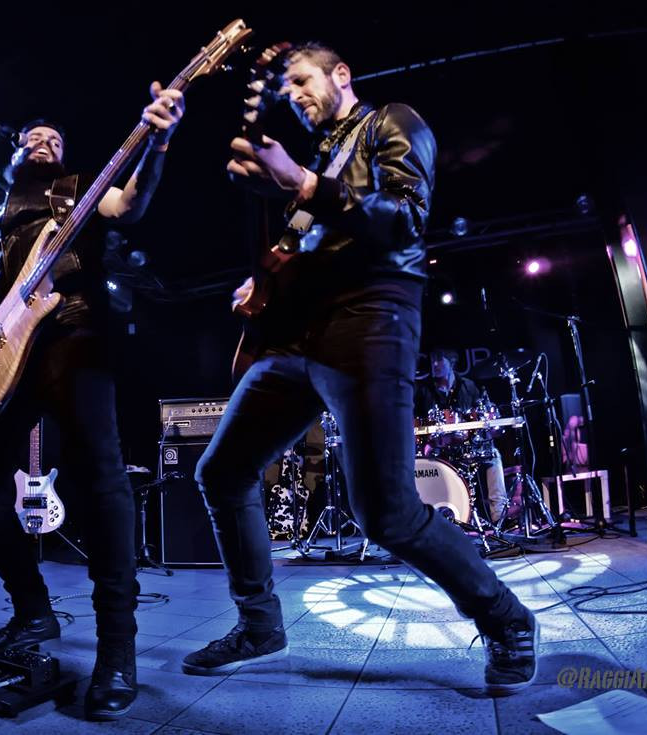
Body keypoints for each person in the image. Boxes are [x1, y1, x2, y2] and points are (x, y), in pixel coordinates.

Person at [182, 41, 537, 695]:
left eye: (302, 80)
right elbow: (295, 245)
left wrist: (304, 183)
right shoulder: (322, 157)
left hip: (372, 316)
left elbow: (406, 218)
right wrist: (262, 281)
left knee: (387, 513)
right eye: (287, 87)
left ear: (340, 75)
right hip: (298, 337)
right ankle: (259, 625)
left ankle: (506, 619)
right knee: (222, 471)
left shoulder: (390, 122)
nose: (293, 94)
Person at [0, 82, 184, 721]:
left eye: (54, 139)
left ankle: (117, 649)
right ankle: (33, 611)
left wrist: (158, 143)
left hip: (71, 334)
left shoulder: (80, 189)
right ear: (13, 154)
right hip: (4, 355)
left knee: (100, 482)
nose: (43, 143)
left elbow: (131, 203)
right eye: (33, 138)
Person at [416, 348, 510, 523]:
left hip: (466, 444)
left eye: (439, 360)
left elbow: (480, 413)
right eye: (432, 361)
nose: (434, 365)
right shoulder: (423, 390)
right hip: (440, 449)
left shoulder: (468, 386)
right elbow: (417, 422)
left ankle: (500, 518)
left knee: (493, 456)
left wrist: (487, 422)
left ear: (451, 362)